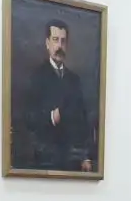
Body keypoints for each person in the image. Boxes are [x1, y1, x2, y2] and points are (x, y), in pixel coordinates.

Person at [18, 18, 96, 171]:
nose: (59, 46)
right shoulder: (36, 76)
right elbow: (27, 119)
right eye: (55, 40)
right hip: (45, 160)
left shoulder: (74, 80)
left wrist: (85, 156)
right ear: (47, 43)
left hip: (72, 161)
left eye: (63, 41)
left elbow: (83, 122)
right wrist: (52, 117)